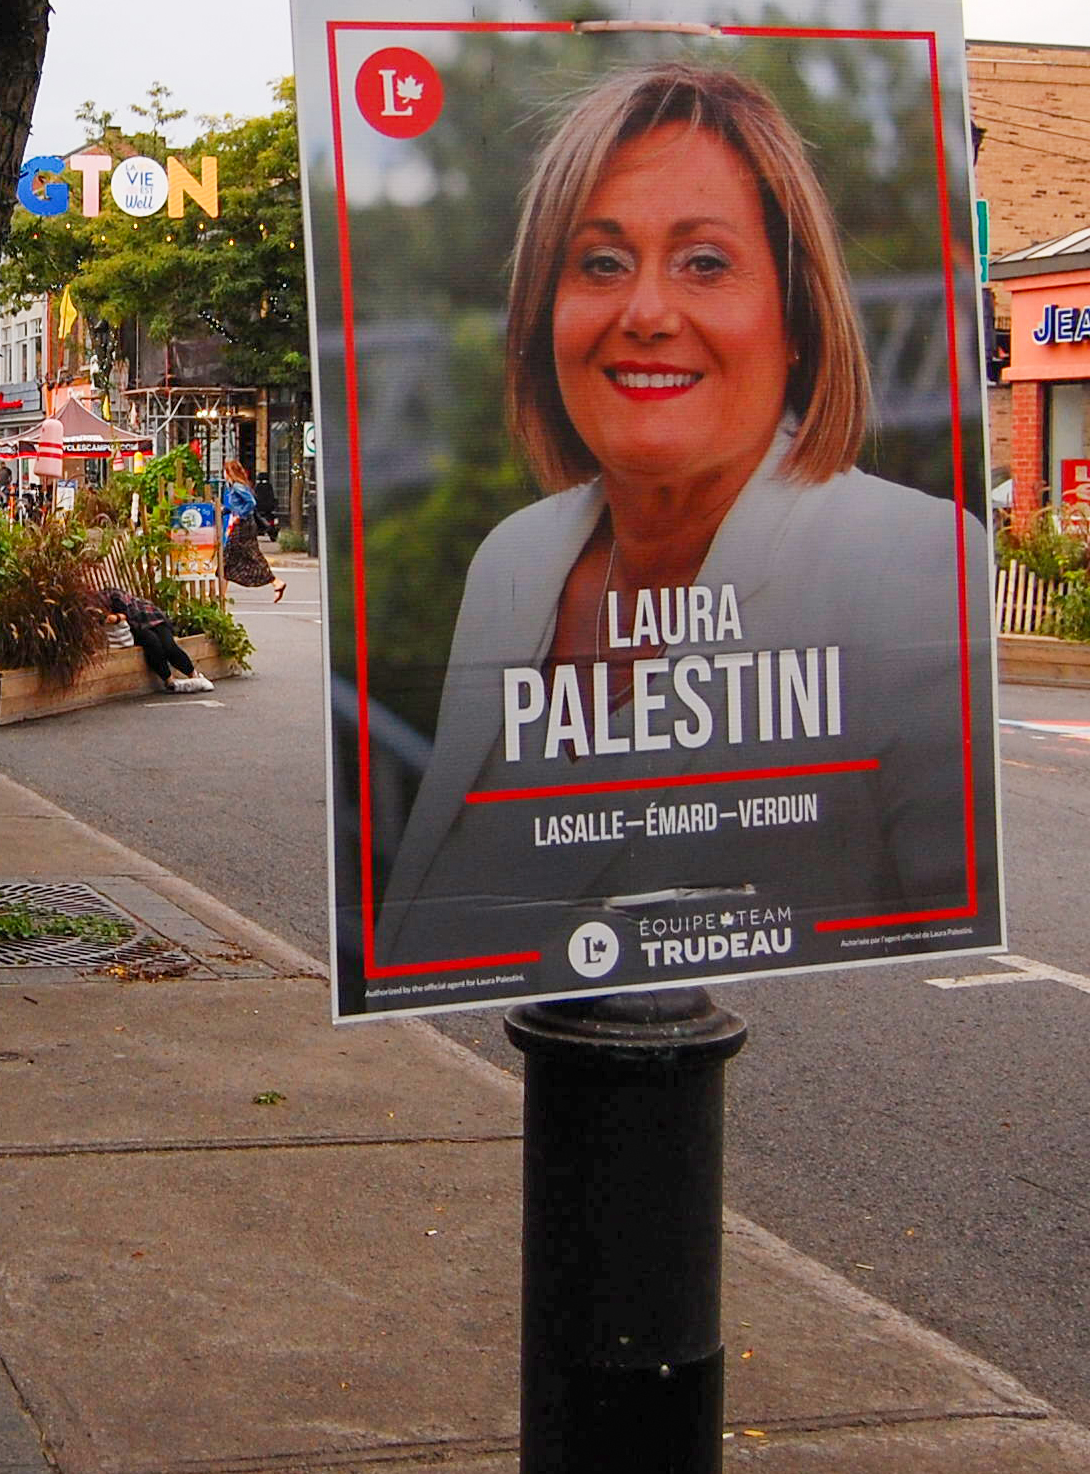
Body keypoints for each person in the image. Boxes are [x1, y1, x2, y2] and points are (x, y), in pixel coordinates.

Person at [375, 63, 991, 971]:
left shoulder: (911, 566)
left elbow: (952, 973)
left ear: (794, 317)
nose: (647, 311)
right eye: (601, 264)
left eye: (705, 263)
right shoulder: (514, 559)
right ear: (546, 311)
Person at [106, 584, 213, 693]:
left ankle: (194, 675)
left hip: (150, 616)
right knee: (152, 643)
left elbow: (124, 611)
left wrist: (116, 617)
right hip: (135, 625)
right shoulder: (98, 603)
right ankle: (170, 681)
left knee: (169, 646)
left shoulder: (112, 595)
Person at [218, 456, 285, 603]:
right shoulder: (233, 486)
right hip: (243, 524)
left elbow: (251, 502)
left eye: (224, 471)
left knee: (234, 556)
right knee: (234, 557)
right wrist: (225, 510)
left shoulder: (237, 486)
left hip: (243, 526)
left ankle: (275, 581)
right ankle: (221, 595)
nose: (223, 474)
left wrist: (239, 516)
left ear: (229, 472)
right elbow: (235, 506)